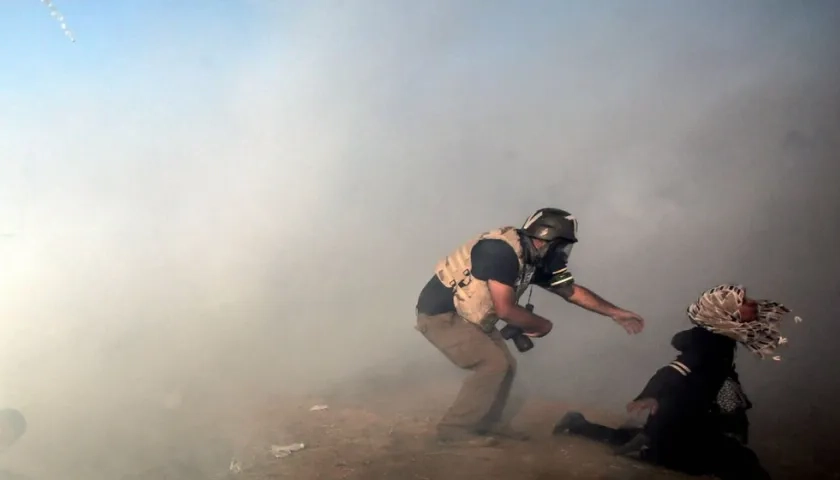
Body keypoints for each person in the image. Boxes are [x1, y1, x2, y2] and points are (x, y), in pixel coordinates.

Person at [415, 207, 645, 447]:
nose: (564, 253)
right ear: (544, 239)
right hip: (441, 316)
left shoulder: (533, 255)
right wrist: (542, 325)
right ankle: (454, 430)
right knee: (492, 365)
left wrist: (615, 313)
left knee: (507, 366)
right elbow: (505, 309)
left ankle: (487, 423)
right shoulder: (500, 251)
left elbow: (571, 291)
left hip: (471, 316)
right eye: (561, 245)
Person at [554, 284, 801, 479]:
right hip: (678, 413)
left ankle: (578, 424)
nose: (752, 304)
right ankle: (625, 441)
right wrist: (650, 395)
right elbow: (672, 371)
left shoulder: (721, 339)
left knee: (668, 446)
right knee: (713, 460)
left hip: (689, 415)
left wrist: (732, 416)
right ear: (726, 313)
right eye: (743, 302)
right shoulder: (708, 341)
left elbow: (724, 378)